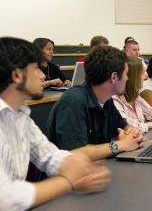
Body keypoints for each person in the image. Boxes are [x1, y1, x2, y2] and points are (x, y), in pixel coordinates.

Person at [0, 37, 110, 210]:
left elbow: (49, 155)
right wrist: (69, 181)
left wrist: (79, 166)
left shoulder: (20, 116)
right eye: (36, 68)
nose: (43, 75)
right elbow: (6, 199)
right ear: (17, 75)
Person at [46, 45, 144, 160]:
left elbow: (122, 125)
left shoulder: (107, 99)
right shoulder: (73, 102)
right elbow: (75, 153)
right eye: (126, 74)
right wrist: (121, 145)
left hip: (96, 170)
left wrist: (131, 132)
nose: (128, 78)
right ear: (114, 77)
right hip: (70, 175)